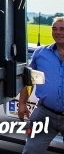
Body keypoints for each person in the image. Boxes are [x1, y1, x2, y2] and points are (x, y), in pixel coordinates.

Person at [18, 16, 64, 153]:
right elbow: (28, 80)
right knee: (31, 151)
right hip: (45, 113)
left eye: (62, 29)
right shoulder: (41, 53)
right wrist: (22, 103)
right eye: (54, 29)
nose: (58, 32)